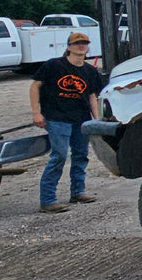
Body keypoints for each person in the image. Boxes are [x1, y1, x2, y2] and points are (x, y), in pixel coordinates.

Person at [30, 30, 104, 213]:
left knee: (81, 155)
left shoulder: (90, 71)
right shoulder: (54, 66)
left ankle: (77, 192)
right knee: (59, 156)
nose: (81, 46)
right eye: (77, 43)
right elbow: (34, 86)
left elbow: (93, 96)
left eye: (85, 43)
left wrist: (98, 119)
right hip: (57, 118)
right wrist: (36, 113)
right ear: (69, 47)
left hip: (81, 119)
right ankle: (47, 200)